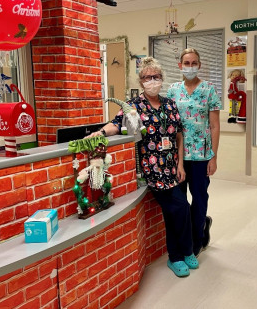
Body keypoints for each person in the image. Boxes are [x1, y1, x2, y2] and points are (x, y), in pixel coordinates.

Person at [88, 57, 198, 277]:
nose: (153, 80)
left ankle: (181, 254)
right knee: (180, 208)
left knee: (173, 212)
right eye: (148, 77)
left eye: (156, 76)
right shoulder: (135, 107)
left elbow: (178, 136)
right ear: (141, 81)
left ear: (162, 79)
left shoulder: (170, 105)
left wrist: (181, 164)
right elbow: (116, 124)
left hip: (172, 168)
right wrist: (100, 132)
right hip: (152, 170)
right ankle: (179, 255)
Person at [167, 48, 221, 257]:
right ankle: (184, 238)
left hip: (201, 156)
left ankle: (197, 239)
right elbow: (170, 124)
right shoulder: (173, 90)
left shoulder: (209, 90)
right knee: (180, 201)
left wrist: (213, 156)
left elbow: (215, 126)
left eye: (194, 63)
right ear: (180, 66)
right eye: (186, 63)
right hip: (178, 158)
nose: (190, 67)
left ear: (199, 65)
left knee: (199, 199)